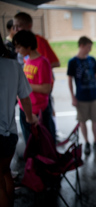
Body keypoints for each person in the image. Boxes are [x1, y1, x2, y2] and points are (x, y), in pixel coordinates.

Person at [0, 33, 38, 207]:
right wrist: (30, 117)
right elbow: (25, 98)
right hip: (10, 134)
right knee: (5, 172)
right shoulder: (14, 66)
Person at [13, 12, 60, 140]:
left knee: (42, 139)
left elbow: (46, 87)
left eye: (19, 26)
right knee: (31, 141)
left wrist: (24, 85)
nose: (17, 51)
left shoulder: (41, 59)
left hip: (38, 107)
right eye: (14, 26)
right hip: (27, 106)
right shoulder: (27, 59)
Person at [67, 36, 96, 155]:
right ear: (81, 46)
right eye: (88, 47)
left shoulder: (92, 60)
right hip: (81, 97)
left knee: (95, 119)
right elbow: (70, 80)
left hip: (93, 95)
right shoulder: (72, 62)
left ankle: (95, 140)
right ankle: (86, 142)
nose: (90, 50)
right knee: (82, 121)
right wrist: (73, 97)